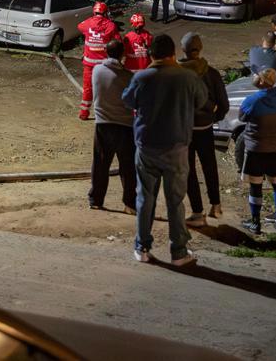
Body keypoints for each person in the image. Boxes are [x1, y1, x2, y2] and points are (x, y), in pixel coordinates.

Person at [121, 33, 207, 266]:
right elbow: (201, 102)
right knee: (175, 201)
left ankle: (142, 247)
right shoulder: (188, 77)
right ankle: (178, 252)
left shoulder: (142, 77)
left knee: (145, 198)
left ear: (151, 54)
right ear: (174, 53)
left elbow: (128, 100)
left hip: (147, 146)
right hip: (177, 147)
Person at [179, 31, 229, 226]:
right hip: (206, 127)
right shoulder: (212, 73)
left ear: (182, 49)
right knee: (210, 166)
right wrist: (213, 117)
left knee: (189, 170)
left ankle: (197, 212)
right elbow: (224, 104)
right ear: (200, 49)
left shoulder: (177, 73)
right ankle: (216, 206)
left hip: (184, 129)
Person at [238, 67, 276, 233]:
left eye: (256, 75)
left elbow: (241, 117)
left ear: (261, 81)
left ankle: (255, 222)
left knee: (255, 185)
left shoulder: (251, 100)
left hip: (256, 148)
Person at [89, 38, 137, 214]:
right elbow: (133, 101)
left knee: (100, 164)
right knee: (128, 167)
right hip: (125, 126)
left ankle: (96, 200)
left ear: (106, 51)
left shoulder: (97, 70)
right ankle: (130, 204)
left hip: (103, 124)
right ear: (123, 54)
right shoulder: (129, 77)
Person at [77, 2, 120, 120]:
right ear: (105, 12)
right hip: (103, 65)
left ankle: (84, 113)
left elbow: (80, 26)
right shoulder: (110, 25)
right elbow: (118, 41)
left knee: (87, 88)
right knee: (103, 89)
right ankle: (102, 114)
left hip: (89, 64)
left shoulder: (87, 23)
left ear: (94, 12)